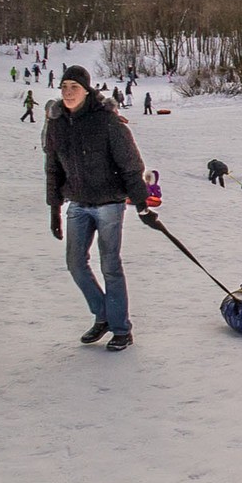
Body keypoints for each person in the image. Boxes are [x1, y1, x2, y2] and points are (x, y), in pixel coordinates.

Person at [43, 65, 152, 351]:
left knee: (110, 266)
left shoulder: (107, 121)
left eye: (74, 87)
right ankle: (103, 315)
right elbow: (53, 168)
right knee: (75, 263)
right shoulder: (55, 124)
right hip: (77, 202)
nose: (68, 92)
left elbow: (131, 165)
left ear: (87, 90)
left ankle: (121, 329)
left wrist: (141, 203)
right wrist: (55, 208)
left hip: (108, 204)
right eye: (64, 86)